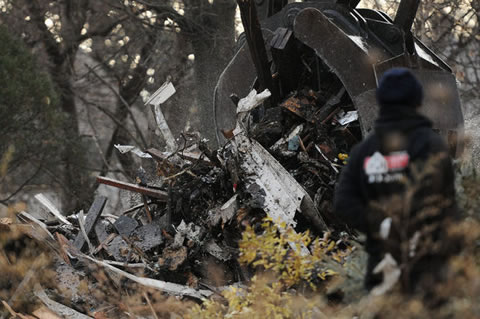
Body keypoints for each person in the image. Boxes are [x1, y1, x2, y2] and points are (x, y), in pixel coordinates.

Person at [334, 67, 456, 292]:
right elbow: (447, 205)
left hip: (382, 270)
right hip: (426, 272)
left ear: (381, 102)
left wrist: (379, 225)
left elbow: (343, 203)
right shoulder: (430, 145)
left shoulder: (365, 151)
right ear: (417, 100)